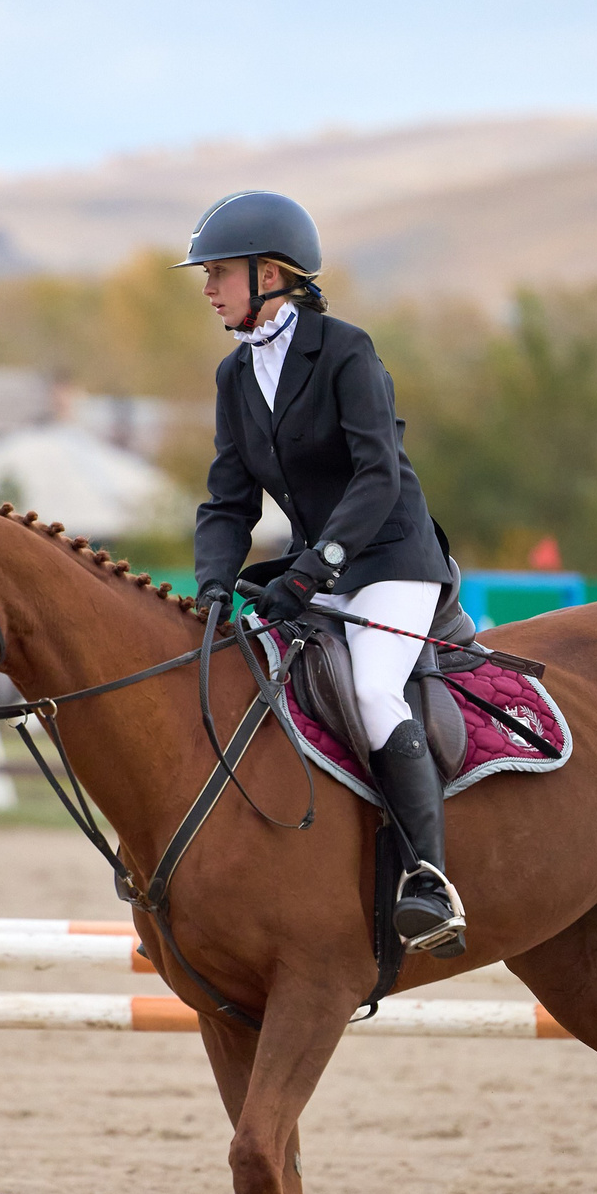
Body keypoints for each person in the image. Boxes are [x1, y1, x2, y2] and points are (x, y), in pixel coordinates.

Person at [181, 191, 467, 957]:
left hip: (391, 559)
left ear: (270, 275)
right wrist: (212, 585)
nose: (208, 288)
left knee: (373, 690)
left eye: (218, 273)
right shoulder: (236, 375)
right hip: (318, 569)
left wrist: (312, 573)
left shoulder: (345, 350)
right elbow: (228, 501)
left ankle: (428, 881)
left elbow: (378, 476)